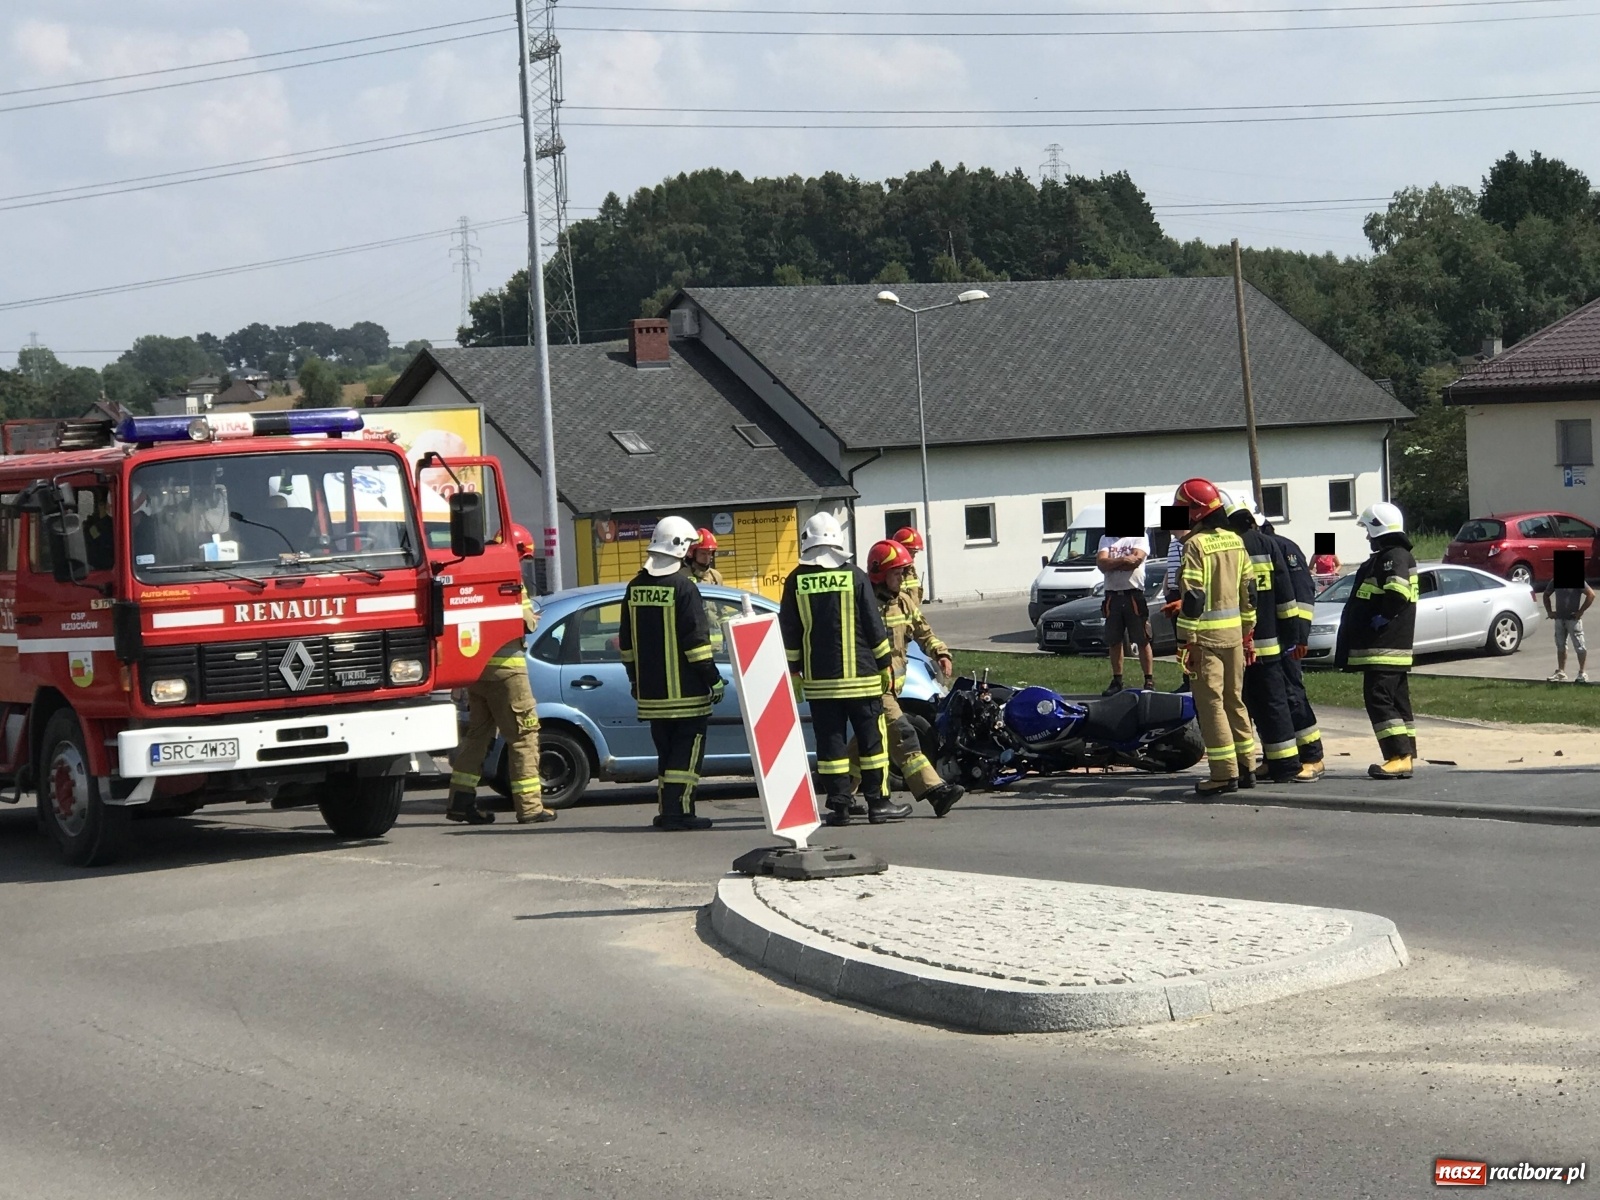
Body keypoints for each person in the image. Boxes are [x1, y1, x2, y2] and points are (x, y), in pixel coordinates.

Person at [781, 513, 910, 826]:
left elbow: (790, 631)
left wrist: (795, 670)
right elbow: (872, 624)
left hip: (820, 682)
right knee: (871, 743)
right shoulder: (854, 576)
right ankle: (878, 803)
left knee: (831, 744)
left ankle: (839, 806)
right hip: (863, 678)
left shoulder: (796, 580)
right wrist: (884, 666)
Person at [619, 516, 725, 831]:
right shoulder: (684, 587)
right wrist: (714, 680)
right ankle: (679, 814)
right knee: (685, 757)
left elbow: (626, 645)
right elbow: (697, 646)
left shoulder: (635, 587)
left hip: (651, 695)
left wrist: (635, 680)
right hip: (687, 696)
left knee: (666, 757)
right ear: (680, 548)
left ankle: (668, 810)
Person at [447, 524, 555, 826]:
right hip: (508, 671)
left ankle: (461, 800)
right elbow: (523, 623)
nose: (522, 563)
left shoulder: (474, 575)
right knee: (523, 735)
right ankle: (531, 807)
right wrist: (531, 618)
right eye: (523, 556)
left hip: (477, 670)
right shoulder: (507, 579)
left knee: (477, 736)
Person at [851, 540, 966, 817]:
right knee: (904, 735)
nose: (902, 579)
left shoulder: (902, 601)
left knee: (864, 741)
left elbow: (922, 631)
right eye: (897, 573)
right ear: (879, 573)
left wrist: (941, 653)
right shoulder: (863, 602)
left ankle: (841, 793)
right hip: (873, 684)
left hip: (893, 686)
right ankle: (935, 792)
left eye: (904, 573)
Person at [1173, 478, 1257, 796]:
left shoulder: (1195, 545)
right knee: (1236, 702)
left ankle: (1223, 773)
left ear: (1195, 512)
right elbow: (1250, 593)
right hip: (1235, 637)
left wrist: (1185, 641)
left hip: (1204, 642)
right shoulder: (1236, 541)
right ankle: (1247, 767)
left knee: (1211, 706)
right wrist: (1248, 631)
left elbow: (1193, 598)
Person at [1335, 502, 1419, 780]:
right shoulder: (1395, 555)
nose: (1367, 537)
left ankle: (1397, 755)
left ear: (1378, 529)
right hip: (1389, 646)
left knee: (1379, 697)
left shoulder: (1393, 557)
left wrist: (1382, 617)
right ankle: (1404, 755)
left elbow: (1397, 591)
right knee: (1396, 699)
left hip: (1384, 646)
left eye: (1368, 531)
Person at [1225, 496, 1301, 784]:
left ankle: (1255, 765)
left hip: (1239, 641)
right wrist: (1291, 634)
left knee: (1247, 705)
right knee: (1275, 704)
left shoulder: (1230, 547)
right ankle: (1284, 765)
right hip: (1271, 642)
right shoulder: (1269, 544)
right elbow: (1285, 593)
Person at [1265, 523, 1326, 780]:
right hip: (1265, 639)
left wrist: (1299, 636)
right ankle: (1277, 758)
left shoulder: (1285, 547)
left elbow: (1303, 593)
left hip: (1287, 638)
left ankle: (1313, 756)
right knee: (1270, 700)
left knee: (1292, 695)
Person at [1096, 525, 1154, 694]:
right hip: (1112, 596)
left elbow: (1135, 562)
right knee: (1114, 640)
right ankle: (1117, 680)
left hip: (1133, 594)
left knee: (1142, 639)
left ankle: (1149, 680)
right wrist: (1123, 560)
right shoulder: (1106, 538)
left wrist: (1112, 563)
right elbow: (1101, 563)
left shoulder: (1139, 536)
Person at [1544, 577, 1595, 683]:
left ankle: (1582, 672)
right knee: (1560, 645)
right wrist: (1549, 612)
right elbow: (1546, 594)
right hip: (1559, 618)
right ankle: (1561, 671)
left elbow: (1591, 594)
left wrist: (1580, 612)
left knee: (1579, 645)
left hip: (1573, 619)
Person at [891, 526, 926, 605]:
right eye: (911, 552)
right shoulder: (891, 574)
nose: (913, 556)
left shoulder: (911, 571)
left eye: (915, 552)